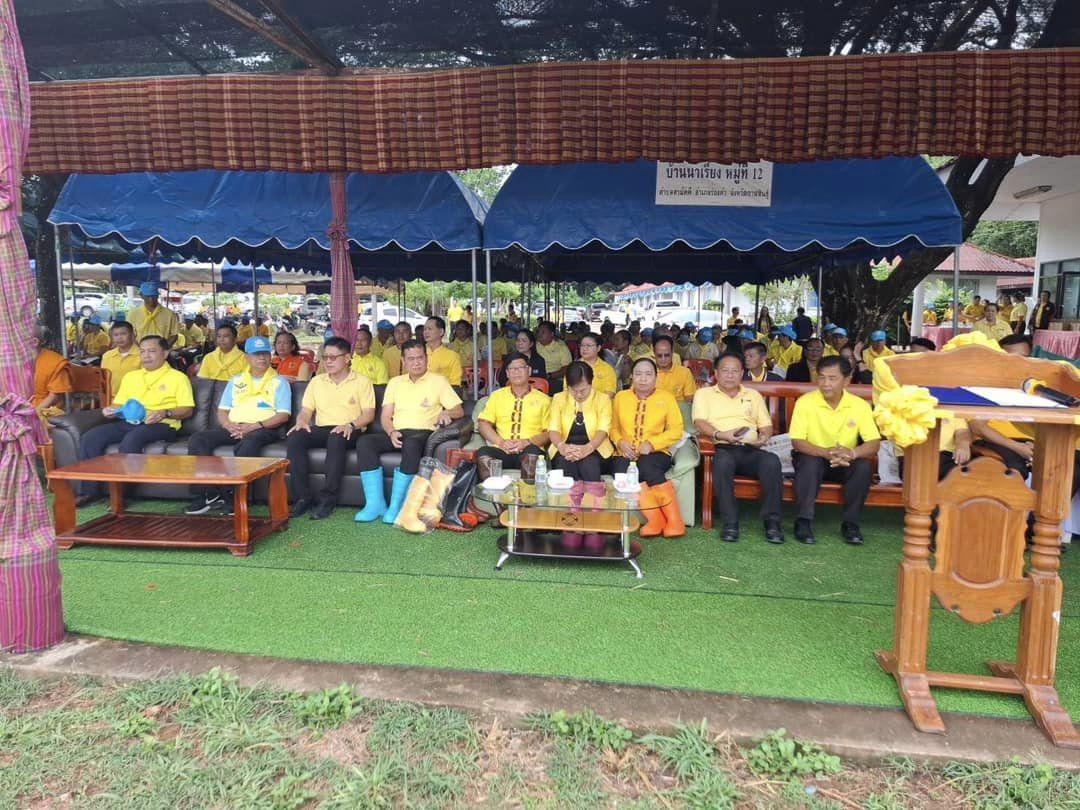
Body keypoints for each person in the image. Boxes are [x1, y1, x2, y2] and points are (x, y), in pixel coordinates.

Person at [75, 336, 195, 506]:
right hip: (129, 422)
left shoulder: (178, 378)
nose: (146, 356)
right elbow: (119, 404)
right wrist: (111, 410)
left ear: (165, 353)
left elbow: (187, 410)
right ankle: (88, 491)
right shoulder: (131, 377)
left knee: (132, 439)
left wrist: (165, 412)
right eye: (143, 352)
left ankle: (122, 494)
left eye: (152, 351)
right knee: (91, 437)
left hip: (162, 424)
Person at [354, 340, 464, 524]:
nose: (416, 362)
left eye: (420, 358)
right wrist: (391, 432)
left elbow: (459, 410)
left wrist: (447, 412)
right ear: (403, 361)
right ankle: (375, 504)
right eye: (411, 359)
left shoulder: (438, 381)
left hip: (423, 433)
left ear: (427, 359)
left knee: (411, 443)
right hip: (397, 433)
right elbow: (385, 416)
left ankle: (398, 506)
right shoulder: (395, 383)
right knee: (365, 442)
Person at [185, 337, 292, 515]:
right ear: (247, 358)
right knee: (198, 439)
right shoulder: (236, 381)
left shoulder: (280, 382)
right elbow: (222, 410)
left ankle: (237, 498)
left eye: (265, 354)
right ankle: (204, 494)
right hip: (235, 427)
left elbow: (283, 415)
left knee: (249, 443)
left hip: (264, 428)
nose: (262, 358)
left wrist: (254, 426)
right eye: (256, 354)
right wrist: (228, 425)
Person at [789, 356, 881, 545]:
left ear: (846, 380)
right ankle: (803, 521)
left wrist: (852, 453)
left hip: (845, 459)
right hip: (814, 455)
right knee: (809, 463)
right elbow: (797, 441)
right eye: (821, 377)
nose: (825, 384)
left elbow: (874, 442)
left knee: (863, 466)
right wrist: (825, 452)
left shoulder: (859, 405)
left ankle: (850, 524)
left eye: (832, 378)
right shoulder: (805, 402)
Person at [694, 352, 783, 543]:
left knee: (771, 461)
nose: (730, 375)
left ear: (742, 373)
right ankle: (730, 523)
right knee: (722, 462)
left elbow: (765, 425)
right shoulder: (704, 394)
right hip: (722, 447)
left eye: (735, 371)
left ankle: (772, 522)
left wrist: (763, 437)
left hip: (751, 449)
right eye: (725, 370)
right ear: (716, 373)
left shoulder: (753, 395)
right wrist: (721, 434)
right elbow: (700, 422)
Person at [285, 336, 377, 520]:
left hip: (351, 429)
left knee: (336, 438)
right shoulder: (317, 381)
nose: (328, 361)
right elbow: (306, 410)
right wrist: (301, 421)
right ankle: (302, 497)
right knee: (295, 436)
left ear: (347, 358)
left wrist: (350, 425)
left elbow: (368, 414)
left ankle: (328, 499)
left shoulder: (362, 381)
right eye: (325, 357)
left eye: (333, 357)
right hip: (323, 428)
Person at [610, 357, 685, 537]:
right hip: (625, 452)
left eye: (648, 374)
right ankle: (655, 520)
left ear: (656, 377)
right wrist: (620, 442)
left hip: (656, 452)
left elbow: (677, 430)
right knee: (622, 470)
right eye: (638, 374)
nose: (643, 379)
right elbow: (613, 427)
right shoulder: (621, 397)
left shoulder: (666, 398)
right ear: (631, 377)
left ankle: (675, 522)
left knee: (647, 466)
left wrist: (652, 444)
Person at [476, 352, 551, 472]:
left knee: (532, 454)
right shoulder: (497, 396)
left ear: (529, 370)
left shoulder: (544, 400)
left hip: (529, 449)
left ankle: (527, 485)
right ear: (507, 373)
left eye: (521, 368)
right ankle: (492, 485)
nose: (516, 372)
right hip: (502, 450)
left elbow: (549, 433)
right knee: (483, 453)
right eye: (512, 369)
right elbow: (483, 424)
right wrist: (501, 442)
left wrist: (527, 442)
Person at [548, 360, 613, 483]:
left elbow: (603, 429)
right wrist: (562, 446)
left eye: (583, 390)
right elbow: (553, 429)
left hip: (595, 448)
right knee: (564, 464)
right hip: (566, 448)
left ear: (591, 383)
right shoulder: (558, 398)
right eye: (573, 390)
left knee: (590, 465)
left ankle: (593, 495)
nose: (578, 395)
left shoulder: (603, 399)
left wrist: (587, 448)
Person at [32, 325, 73, 413]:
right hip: (22, 407)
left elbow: (54, 397)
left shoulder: (55, 362)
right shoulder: (15, 362)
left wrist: (34, 413)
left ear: (35, 342)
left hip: (46, 410)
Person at [100, 321, 142, 398]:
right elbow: (103, 379)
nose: (119, 338)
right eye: (116, 335)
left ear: (132, 335)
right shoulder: (107, 356)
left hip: (135, 399)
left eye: (123, 334)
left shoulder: (142, 355)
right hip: (111, 398)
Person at [653, 335, 695, 402]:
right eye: (659, 356)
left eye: (667, 355)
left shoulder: (685, 373)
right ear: (654, 353)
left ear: (672, 352)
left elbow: (689, 399)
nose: (663, 359)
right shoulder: (647, 373)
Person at [423, 316, 463, 386]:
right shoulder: (418, 353)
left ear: (441, 332)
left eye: (429, 329)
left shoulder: (452, 356)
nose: (426, 332)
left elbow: (455, 384)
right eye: (425, 329)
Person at [535, 321, 572, 394]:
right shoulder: (534, 345)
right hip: (536, 378)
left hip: (553, 379)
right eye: (538, 332)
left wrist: (550, 375)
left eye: (543, 332)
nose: (539, 334)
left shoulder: (561, 348)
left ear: (551, 334)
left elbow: (567, 368)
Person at [577, 332, 617, 396]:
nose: (584, 348)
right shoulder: (573, 367)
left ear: (598, 348)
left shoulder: (607, 369)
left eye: (589, 346)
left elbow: (609, 394)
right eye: (582, 345)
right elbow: (567, 391)